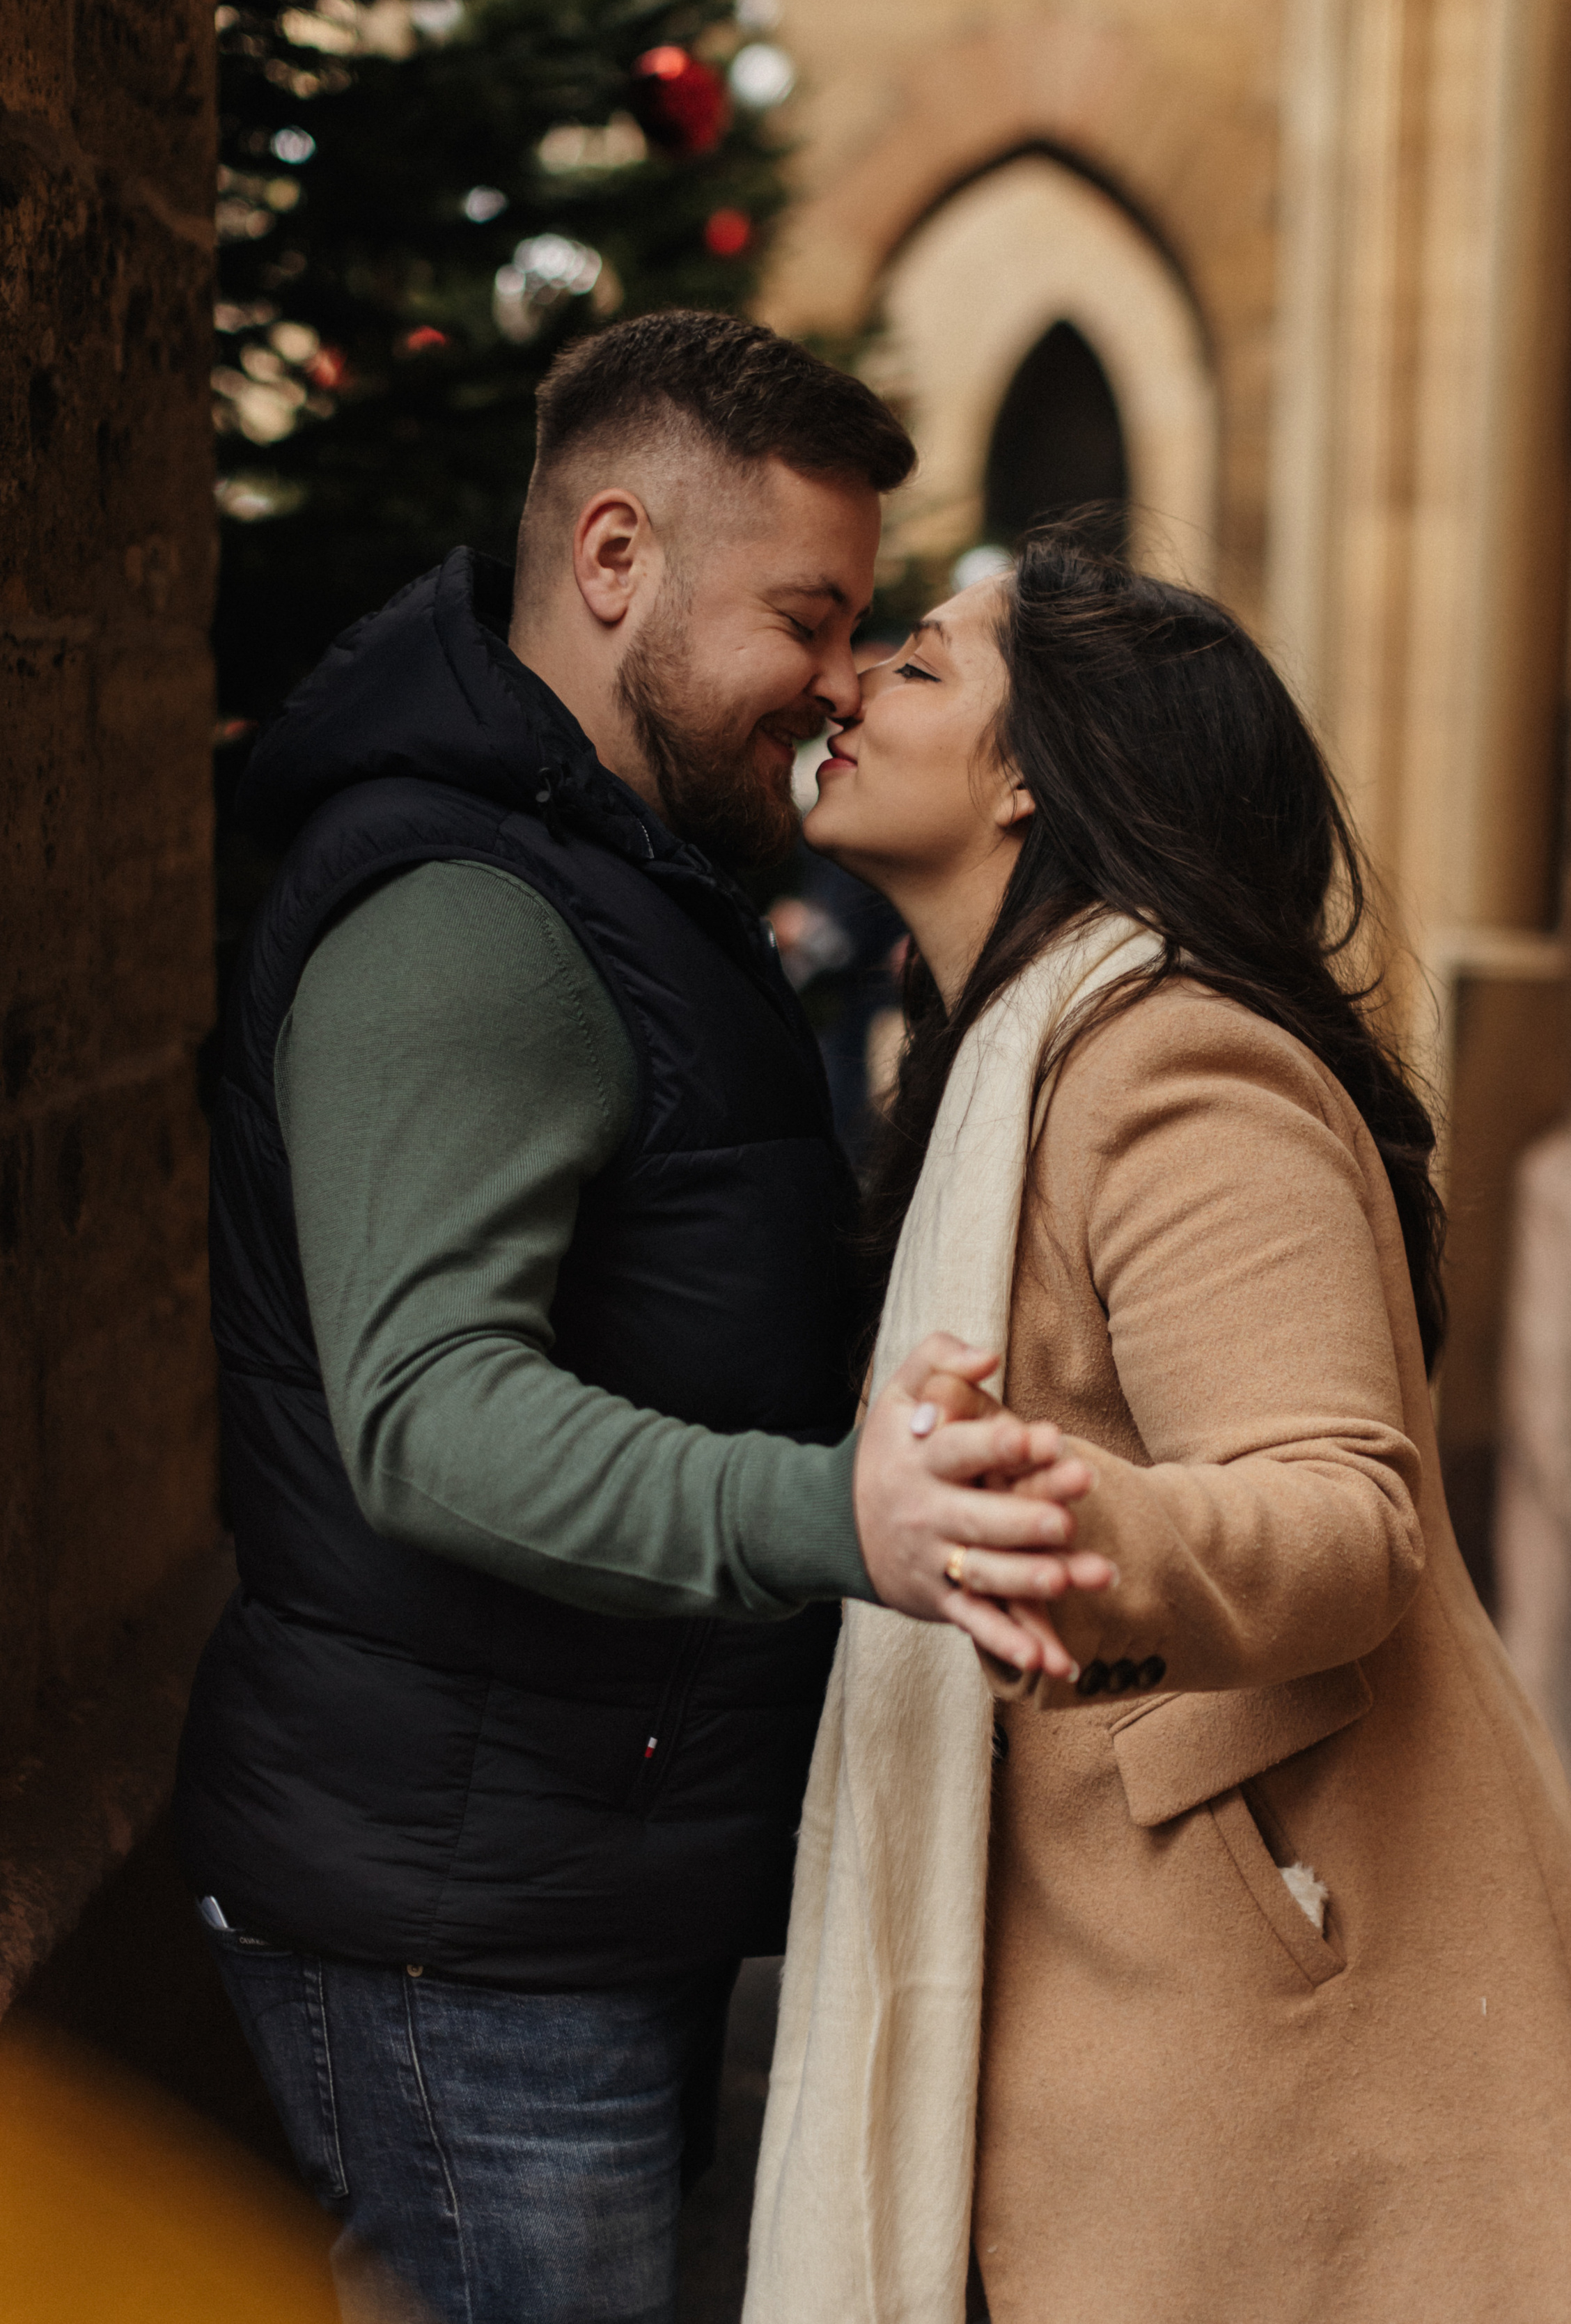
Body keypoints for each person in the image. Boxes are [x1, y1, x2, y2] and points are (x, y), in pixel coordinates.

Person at [172, 314, 1111, 2324]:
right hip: (461, 1946)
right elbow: (427, 1414)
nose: (844, 680)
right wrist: (841, 1522)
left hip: (563, 1884)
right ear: (615, 561)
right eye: (808, 612)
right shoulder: (464, 915)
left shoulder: (627, 875)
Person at [746, 530, 1571, 2324]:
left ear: (1034, 781)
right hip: (1136, 1975)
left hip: (1262, 2017)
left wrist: (1078, 1527)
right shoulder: (1012, 1051)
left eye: (923, 666)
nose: (851, 681)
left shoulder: (1168, 1066)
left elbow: (1343, 1515)